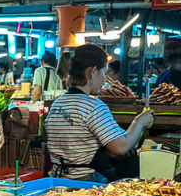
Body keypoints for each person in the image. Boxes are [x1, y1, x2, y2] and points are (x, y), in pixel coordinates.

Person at [44, 44, 153, 182]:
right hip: (86, 182)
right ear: (93, 72)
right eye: (104, 72)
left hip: (57, 179)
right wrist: (140, 122)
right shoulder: (93, 107)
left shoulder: (57, 104)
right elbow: (121, 147)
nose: (105, 79)